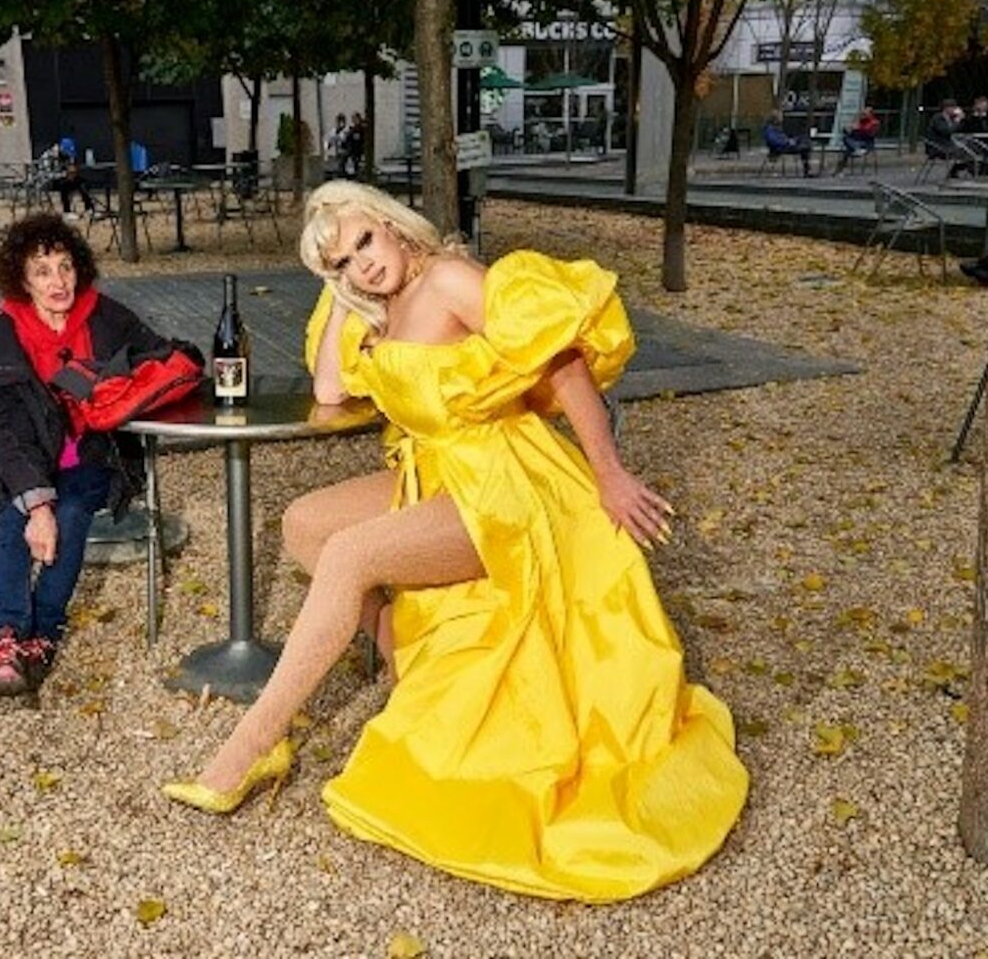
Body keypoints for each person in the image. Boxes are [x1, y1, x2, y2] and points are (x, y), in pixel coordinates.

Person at [162, 181, 749, 902]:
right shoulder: (377, 305)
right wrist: (342, 296)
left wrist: (610, 474)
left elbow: (562, 363)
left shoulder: (447, 279)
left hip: (505, 485)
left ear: (393, 224)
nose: (363, 264)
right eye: (343, 261)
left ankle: (253, 746)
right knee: (306, 524)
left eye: (366, 241)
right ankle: (414, 669)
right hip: (436, 476)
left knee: (350, 555)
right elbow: (332, 392)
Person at [0, 214, 167, 699]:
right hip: (27, 462)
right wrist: (36, 505)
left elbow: (162, 356)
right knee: (13, 518)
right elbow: (6, 434)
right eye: (42, 271)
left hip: (97, 456)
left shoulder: (106, 316)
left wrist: (118, 387)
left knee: (69, 513)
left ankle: (41, 635)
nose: (58, 281)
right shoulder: (2, 336)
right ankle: (5, 640)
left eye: (65, 267)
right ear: (22, 280)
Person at [43, 140, 96, 218]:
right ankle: (67, 211)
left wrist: (72, 173)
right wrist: (63, 175)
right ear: (61, 149)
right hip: (49, 181)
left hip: (64, 178)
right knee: (64, 185)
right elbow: (47, 174)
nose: (68, 156)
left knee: (81, 182)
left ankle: (89, 208)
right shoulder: (48, 156)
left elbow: (71, 166)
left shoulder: (67, 157)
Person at [831, 104, 880, 176]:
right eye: (863, 113)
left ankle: (856, 149)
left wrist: (858, 128)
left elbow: (868, 132)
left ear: (870, 114)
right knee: (845, 146)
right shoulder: (861, 121)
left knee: (847, 148)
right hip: (856, 142)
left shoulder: (874, 122)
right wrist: (848, 129)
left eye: (865, 114)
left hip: (866, 143)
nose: (863, 115)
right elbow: (853, 134)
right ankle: (838, 171)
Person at [763, 110, 813, 176]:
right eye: (780, 118)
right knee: (804, 148)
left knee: (803, 138)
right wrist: (787, 142)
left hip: (786, 144)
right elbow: (774, 141)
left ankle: (807, 167)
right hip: (781, 148)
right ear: (775, 119)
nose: (782, 120)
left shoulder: (777, 128)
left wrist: (791, 140)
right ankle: (807, 169)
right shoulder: (770, 130)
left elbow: (783, 137)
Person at [344, 112, 366, 177]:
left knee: (356, 164)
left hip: (358, 150)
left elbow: (358, 139)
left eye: (354, 118)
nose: (353, 120)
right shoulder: (353, 128)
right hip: (353, 151)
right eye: (353, 119)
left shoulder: (360, 128)